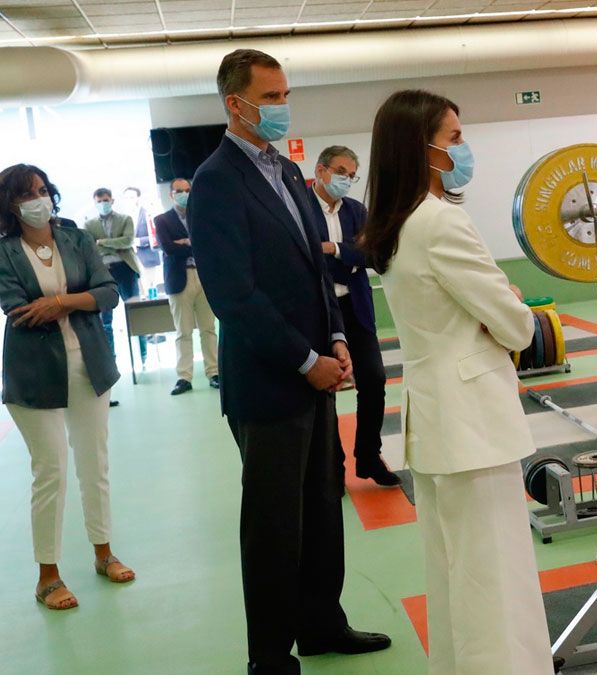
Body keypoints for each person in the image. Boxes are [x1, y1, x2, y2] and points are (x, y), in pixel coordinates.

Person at [189, 48, 390, 674]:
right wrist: (306, 360)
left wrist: (335, 339)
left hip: (316, 375)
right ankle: (270, 657)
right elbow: (234, 295)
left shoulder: (291, 175)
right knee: (275, 527)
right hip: (270, 385)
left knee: (323, 510)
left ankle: (322, 624)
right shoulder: (216, 182)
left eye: (284, 95)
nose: (282, 107)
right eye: (270, 98)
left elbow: (317, 269)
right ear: (236, 104)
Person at [361, 89, 555, 675]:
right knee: (494, 580)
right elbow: (517, 327)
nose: (464, 148)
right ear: (422, 152)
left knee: (455, 578)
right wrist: (510, 306)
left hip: (438, 419)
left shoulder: (396, 224)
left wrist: (494, 307)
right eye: (454, 139)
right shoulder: (442, 222)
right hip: (472, 423)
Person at [0, 164, 136, 612]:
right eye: (29, 194)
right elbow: (16, 308)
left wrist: (57, 303)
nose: (40, 199)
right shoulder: (2, 252)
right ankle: (47, 575)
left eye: (44, 190)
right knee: (50, 468)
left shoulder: (77, 239)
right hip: (33, 372)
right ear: (11, 204)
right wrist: (77, 299)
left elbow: (108, 292)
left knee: (96, 462)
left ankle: (103, 552)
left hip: (89, 363)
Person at [307, 146, 398, 486]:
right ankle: (332, 468)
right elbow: (304, 256)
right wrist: (351, 256)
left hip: (356, 309)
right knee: (326, 389)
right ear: (321, 171)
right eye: (341, 172)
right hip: (318, 312)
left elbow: (374, 253)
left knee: (373, 379)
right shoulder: (301, 208)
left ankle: (369, 457)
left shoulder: (357, 211)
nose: (346, 179)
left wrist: (334, 250)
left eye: (351, 174)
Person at [155, 178, 219, 396]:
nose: (184, 194)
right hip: (178, 279)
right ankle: (184, 377)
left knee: (208, 329)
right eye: (179, 191)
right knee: (183, 332)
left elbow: (210, 244)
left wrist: (185, 242)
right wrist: (192, 243)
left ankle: (214, 372)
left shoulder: (202, 216)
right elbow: (168, 248)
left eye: (187, 190)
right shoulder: (162, 220)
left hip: (204, 278)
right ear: (171, 194)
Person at [83, 187, 147, 371]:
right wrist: (114, 245)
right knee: (106, 321)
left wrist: (102, 242)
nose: (103, 203)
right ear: (95, 203)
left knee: (136, 315)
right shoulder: (89, 225)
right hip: (103, 273)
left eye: (106, 200)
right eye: (99, 201)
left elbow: (127, 241)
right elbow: (90, 248)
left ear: (112, 200)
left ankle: (142, 357)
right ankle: (111, 361)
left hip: (126, 269)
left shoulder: (125, 219)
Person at [124, 186, 163, 290]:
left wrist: (138, 241)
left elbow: (156, 236)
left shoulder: (148, 213)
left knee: (150, 290)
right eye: (126, 198)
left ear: (138, 198)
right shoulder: (122, 218)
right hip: (129, 260)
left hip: (146, 257)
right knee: (136, 292)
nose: (129, 200)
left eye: (131, 197)